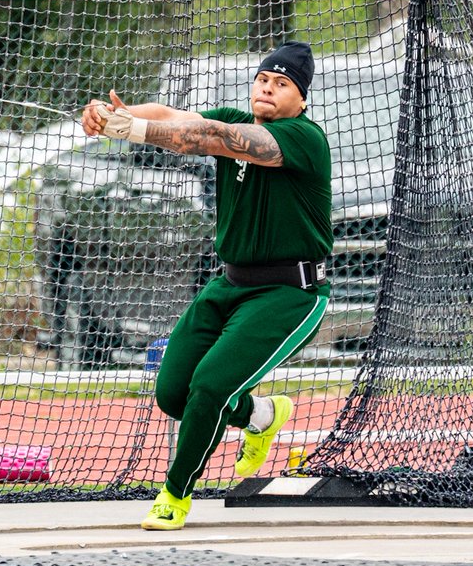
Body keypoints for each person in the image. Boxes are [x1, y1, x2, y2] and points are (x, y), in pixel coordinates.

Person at [82, 41, 332, 531]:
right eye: (264, 79)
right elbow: (173, 118)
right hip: (229, 284)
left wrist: (135, 130)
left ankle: (175, 494)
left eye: (283, 84)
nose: (269, 88)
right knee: (174, 393)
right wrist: (117, 113)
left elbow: (213, 138)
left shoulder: (303, 136)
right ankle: (262, 415)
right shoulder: (234, 116)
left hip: (289, 294)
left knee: (210, 387)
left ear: (300, 99)